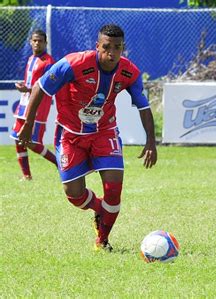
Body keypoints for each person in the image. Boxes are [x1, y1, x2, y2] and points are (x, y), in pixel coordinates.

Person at [17, 24, 157, 252]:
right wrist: (28, 124)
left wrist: (151, 141)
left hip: (105, 133)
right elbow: (40, 88)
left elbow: (143, 106)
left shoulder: (129, 72)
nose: (111, 53)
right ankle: (99, 209)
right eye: (106, 47)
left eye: (117, 48)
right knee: (74, 194)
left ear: (123, 48)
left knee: (114, 190)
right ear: (97, 46)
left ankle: (102, 241)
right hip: (70, 134)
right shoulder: (74, 63)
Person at [10, 30, 57, 180]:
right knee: (18, 137)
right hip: (24, 104)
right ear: (30, 41)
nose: (37, 43)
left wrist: (28, 89)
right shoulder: (31, 58)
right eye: (35, 40)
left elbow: (48, 87)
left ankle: (58, 163)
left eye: (40, 41)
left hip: (38, 106)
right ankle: (27, 176)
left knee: (32, 143)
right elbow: (32, 82)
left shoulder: (48, 63)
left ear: (45, 43)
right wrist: (24, 86)